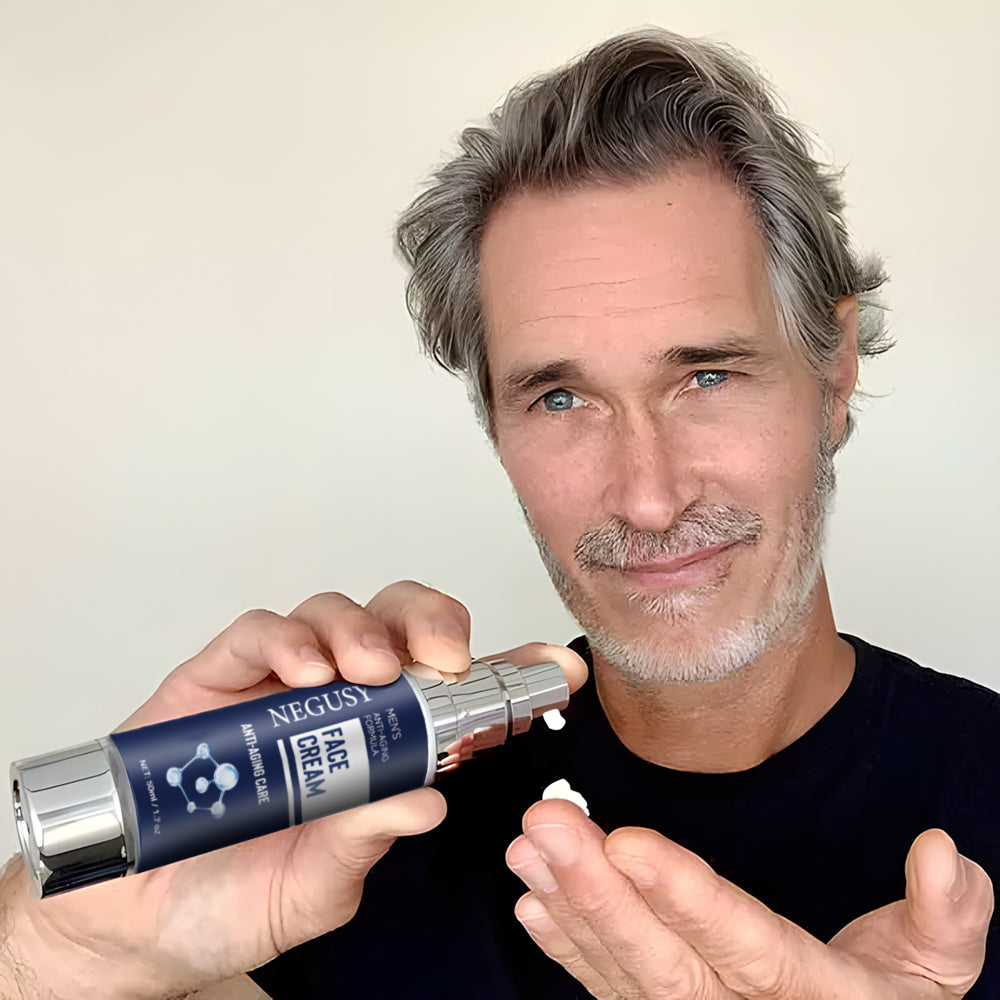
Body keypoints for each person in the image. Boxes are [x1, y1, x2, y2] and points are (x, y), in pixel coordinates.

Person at [1, 26, 996, 1000]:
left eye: (707, 376)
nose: (649, 498)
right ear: (492, 419)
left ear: (834, 369)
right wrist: (66, 954)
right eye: (560, 399)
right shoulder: (344, 844)